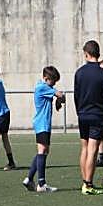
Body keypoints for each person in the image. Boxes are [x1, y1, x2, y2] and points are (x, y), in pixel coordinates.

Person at [73, 39, 103, 195]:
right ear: (98, 53)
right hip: (97, 115)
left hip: (83, 115)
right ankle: (88, 184)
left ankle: (85, 182)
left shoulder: (79, 73)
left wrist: (79, 112)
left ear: (86, 54)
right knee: (93, 150)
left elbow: (76, 96)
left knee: (84, 148)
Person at [23, 65, 66, 193]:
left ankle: (29, 179)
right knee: (42, 151)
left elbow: (59, 97)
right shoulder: (42, 87)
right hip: (42, 123)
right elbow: (61, 95)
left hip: (43, 123)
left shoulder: (44, 87)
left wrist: (58, 100)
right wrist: (59, 100)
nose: (54, 84)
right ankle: (41, 184)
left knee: (44, 151)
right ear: (46, 78)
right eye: (53, 81)